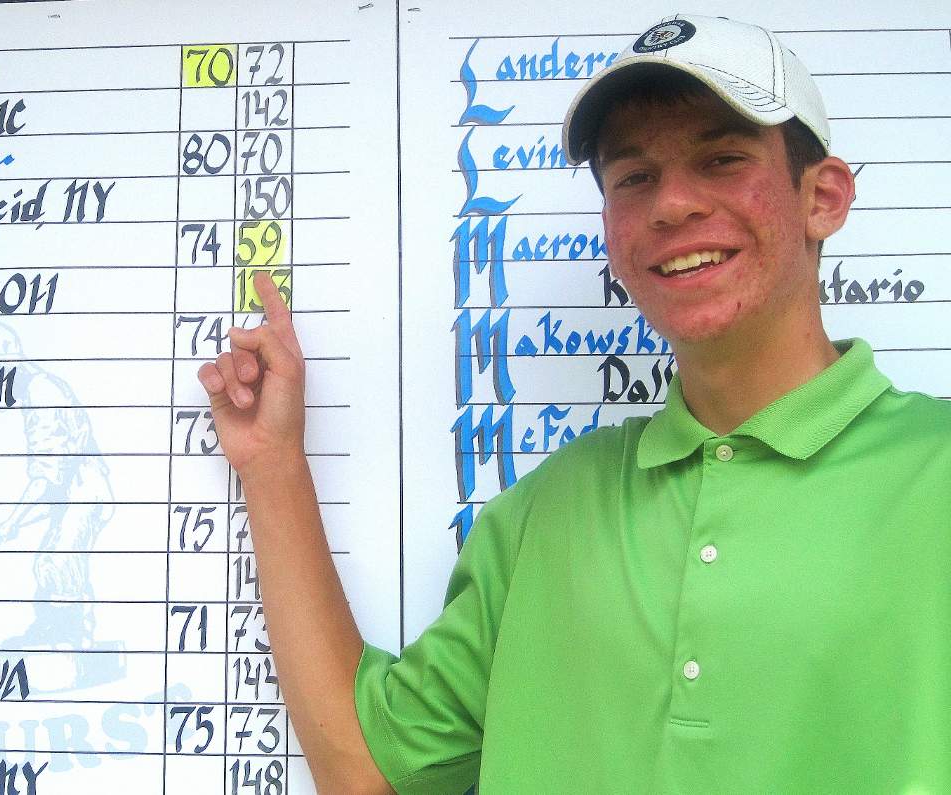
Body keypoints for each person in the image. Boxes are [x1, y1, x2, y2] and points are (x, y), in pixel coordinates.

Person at [198, 14, 951, 794]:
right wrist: (271, 463)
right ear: (611, 228)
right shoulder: (544, 511)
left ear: (823, 197)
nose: (672, 204)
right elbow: (366, 770)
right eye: (633, 177)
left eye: (722, 158)